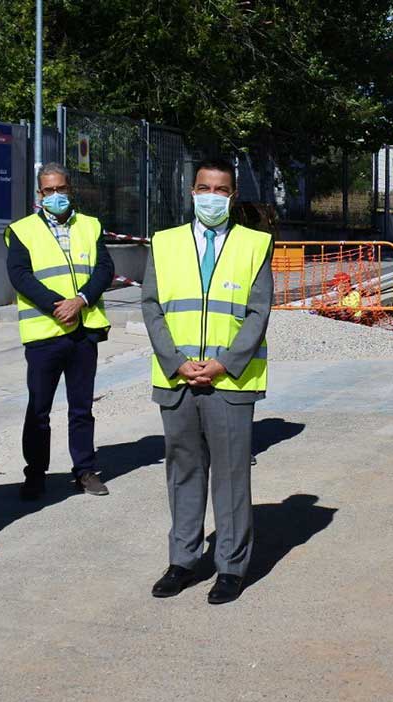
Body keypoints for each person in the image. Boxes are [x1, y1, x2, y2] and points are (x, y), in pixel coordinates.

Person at [143, 158, 273, 605]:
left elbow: (258, 312)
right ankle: (183, 559)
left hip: (229, 381)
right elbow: (151, 307)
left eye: (221, 190)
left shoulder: (255, 244)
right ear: (191, 191)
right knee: (183, 470)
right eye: (204, 188)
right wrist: (176, 361)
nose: (211, 197)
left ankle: (231, 567)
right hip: (176, 377)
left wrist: (223, 363)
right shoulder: (164, 243)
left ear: (232, 197)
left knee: (232, 475)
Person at [6, 162, 116, 501]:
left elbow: (104, 268)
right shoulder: (22, 230)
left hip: (83, 330)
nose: (56, 196)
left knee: (81, 407)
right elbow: (20, 276)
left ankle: (85, 470)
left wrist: (81, 300)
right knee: (38, 410)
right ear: (39, 195)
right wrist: (58, 305)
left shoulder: (90, 225)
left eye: (61, 189)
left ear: (71, 190)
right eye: (48, 191)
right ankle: (35, 474)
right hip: (45, 333)